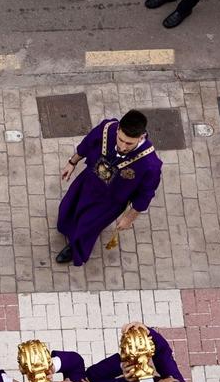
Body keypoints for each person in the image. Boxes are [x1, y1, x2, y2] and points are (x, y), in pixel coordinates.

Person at [52, 110, 161, 266]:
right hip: (88, 182)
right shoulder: (107, 129)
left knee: (87, 226)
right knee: (68, 206)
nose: (122, 146)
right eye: (121, 139)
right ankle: (66, 227)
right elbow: (87, 144)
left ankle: (75, 248)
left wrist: (128, 218)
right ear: (118, 130)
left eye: (129, 143)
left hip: (110, 201)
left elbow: (145, 194)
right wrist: (72, 162)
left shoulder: (150, 165)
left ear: (141, 137)